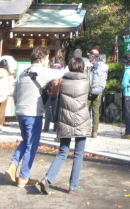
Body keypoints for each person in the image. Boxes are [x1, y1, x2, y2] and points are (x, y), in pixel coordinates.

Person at [4, 47, 65, 187]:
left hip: (20, 112)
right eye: (47, 58)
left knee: (26, 140)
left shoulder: (23, 73)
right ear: (42, 58)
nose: (48, 61)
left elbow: (16, 94)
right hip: (33, 113)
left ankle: (13, 164)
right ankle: (24, 177)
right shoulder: (42, 71)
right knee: (32, 144)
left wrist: (19, 106)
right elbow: (61, 72)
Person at [37, 56, 91, 195]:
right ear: (82, 67)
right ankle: (73, 186)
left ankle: (47, 179)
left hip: (65, 119)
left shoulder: (63, 81)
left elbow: (56, 96)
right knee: (78, 154)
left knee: (63, 152)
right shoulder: (85, 81)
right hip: (81, 120)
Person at [88, 49, 108, 138]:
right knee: (96, 112)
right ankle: (95, 131)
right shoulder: (103, 66)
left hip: (89, 91)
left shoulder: (90, 66)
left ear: (93, 56)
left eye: (90, 55)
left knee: (86, 110)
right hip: (99, 91)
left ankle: (86, 129)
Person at [43, 64, 62, 133]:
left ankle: (46, 128)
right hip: (58, 97)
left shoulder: (51, 79)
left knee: (48, 110)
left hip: (51, 96)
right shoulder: (61, 79)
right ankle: (55, 128)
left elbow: (48, 88)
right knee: (57, 111)